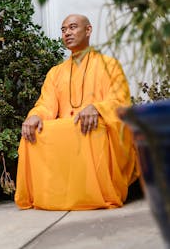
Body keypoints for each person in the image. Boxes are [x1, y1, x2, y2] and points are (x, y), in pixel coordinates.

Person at [15, 14, 139, 210]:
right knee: (32, 133)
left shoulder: (109, 65)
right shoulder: (55, 72)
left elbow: (120, 102)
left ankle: (96, 194)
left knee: (93, 127)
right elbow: (46, 105)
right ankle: (49, 197)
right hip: (66, 129)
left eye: (73, 27)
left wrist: (97, 108)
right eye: (64, 30)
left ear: (88, 30)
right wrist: (34, 116)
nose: (67, 33)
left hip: (94, 128)